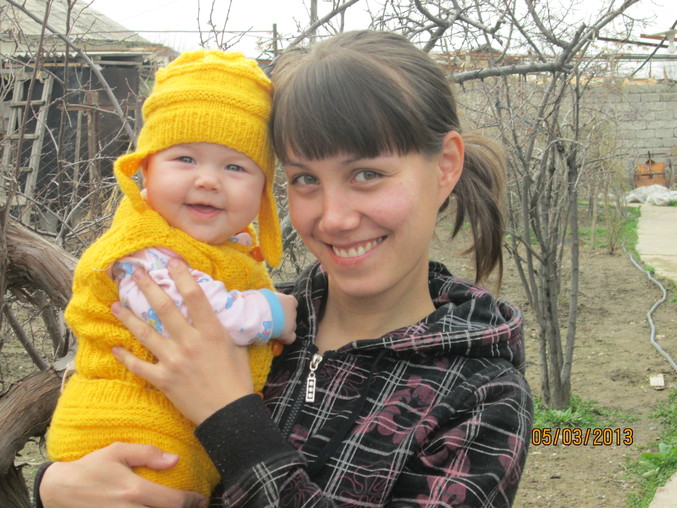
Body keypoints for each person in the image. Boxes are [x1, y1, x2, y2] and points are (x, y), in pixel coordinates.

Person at [37, 30, 533, 508]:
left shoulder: (482, 396)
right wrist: (54, 486)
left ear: (445, 166)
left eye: (367, 174)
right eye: (305, 179)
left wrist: (230, 419)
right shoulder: (251, 318)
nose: (334, 218)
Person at [45, 49, 297, 500]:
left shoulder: (219, 248)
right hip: (128, 435)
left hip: (173, 440)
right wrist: (270, 311)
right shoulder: (145, 251)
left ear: (263, 190)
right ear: (144, 168)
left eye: (235, 166)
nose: (208, 180)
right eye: (185, 159)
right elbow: (194, 317)